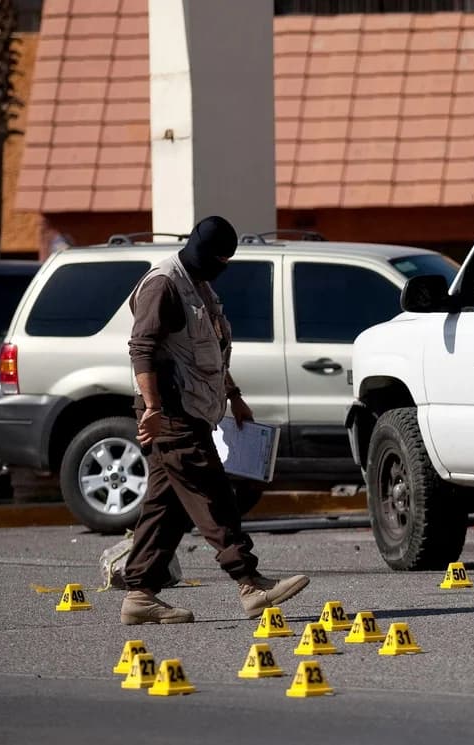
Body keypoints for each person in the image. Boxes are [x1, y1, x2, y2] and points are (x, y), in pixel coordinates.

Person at [119, 216, 309, 625]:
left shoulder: (199, 285)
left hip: (191, 409)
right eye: (219, 257)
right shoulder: (164, 284)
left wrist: (234, 396)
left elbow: (210, 350)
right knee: (212, 494)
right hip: (170, 413)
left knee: (165, 506)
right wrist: (152, 407)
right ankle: (250, 583)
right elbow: (142, 349)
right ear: (203, 252)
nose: (223, 265)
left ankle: (139, 594)